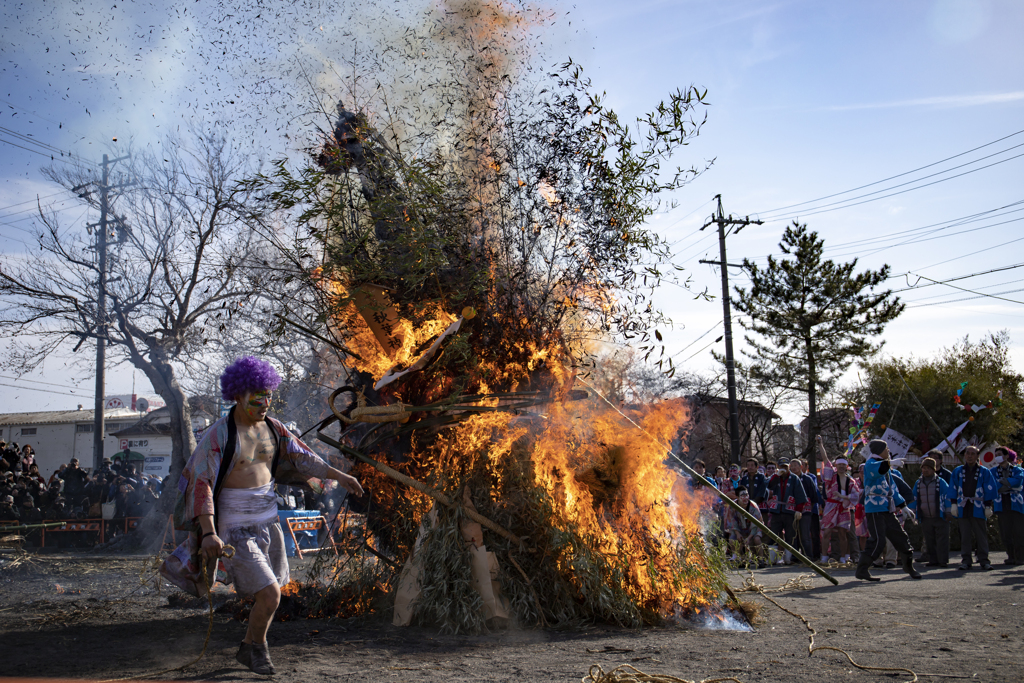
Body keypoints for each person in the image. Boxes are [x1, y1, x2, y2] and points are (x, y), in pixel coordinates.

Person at [175, 356, 364, 675]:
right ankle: (257, 650)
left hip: (269, 523)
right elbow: (201, 484)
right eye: (256, 395)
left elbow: (305, 458)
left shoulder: (275, 429)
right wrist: (209, 532)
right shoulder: (219, 436)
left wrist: (340, 476)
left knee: (273, 591)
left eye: (269, 394)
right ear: (237, 395)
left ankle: (249, 648)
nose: (264, 402)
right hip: (235, 530)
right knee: (270, 593)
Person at [855, 439, 920, 581]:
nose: (888, 451)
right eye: (886, 449)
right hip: (874, 508)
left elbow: (893, 490)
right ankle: (862, 570)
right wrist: (890, 463)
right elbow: (878, 470)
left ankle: (909, 566)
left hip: (887, 508)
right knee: (878, 540)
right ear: (879, 450)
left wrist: (903, 506)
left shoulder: (886, 468)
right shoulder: (870, 464)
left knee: (900, 537)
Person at [949, 446, 998, 571]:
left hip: (978, 506)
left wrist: (988, 506)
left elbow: (989, 489)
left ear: (977, 456)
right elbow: (953, 488)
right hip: (963, 505)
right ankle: (966, 560)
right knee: (965, 535)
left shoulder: (984, 471)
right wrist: (953, 504)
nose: (970, 456)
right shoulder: (958, 471)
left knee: (981, 535)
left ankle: (984, 560)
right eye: (968, 453)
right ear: (965, 455)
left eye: (973, 454)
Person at [817, 437, 860, 564]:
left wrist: (843, 497)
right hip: (831, 505)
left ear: (847, 466)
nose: (841, 466)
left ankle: (843, 557)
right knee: (827, 531)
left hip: (844, 507)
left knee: (843, 533)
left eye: (843, 464)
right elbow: (825, 459)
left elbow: (855, 496)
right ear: (836, 465)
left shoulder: (851, 481)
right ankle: (824, 557)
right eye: (839, 464)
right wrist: (820, 444)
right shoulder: (831, 476)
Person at [910, 456, 952, 567]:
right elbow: (913, 498)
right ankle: (933, 560)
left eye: (928, 468)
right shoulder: (918, 483)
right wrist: (912, 513)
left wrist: (948, 512)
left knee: (942, 539)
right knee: (929, 540)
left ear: (933, 469)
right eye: (923, 468)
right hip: (925, 516)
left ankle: (942, 561)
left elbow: (948, 498)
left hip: (940, 515)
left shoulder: (941, 482)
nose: (925, 470)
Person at [765, 457, 807, 563]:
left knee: (790, 535)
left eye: (785, 466)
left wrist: (799, 510)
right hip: (776, 511)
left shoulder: (794, 479)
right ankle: (773, 559)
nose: (783, 468)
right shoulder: (775, 477)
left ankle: (789, 559)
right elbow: (768, 486)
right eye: (781, 466)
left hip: (789, 511)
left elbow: (800, 495)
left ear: (789, 467)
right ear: (778, 467)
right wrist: (775, 476)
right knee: (773, 534)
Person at [990, 447, 1024, 565]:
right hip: (1002, 504)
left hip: (1016, 505)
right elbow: (993, 486)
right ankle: (1011, 556)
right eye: (996, 454)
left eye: (999, 454)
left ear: (1005, 456)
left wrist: (1002, 482)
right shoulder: (993, 471)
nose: (997, 456)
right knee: (1006, 533)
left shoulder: (1017, 469)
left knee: (1019, 532)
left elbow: (1019, 482)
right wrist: (1009, 485)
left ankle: (1020, 557)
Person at [725, 486, 767, 567]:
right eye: (743, 496)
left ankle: (761, 559)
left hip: (754, 527)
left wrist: (749, 537)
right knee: (733, 540)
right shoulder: (732, 506)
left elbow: (756, 524)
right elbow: (731, 521)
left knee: (757, 539)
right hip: (740, 528)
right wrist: (737, 533)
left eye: (747, 495)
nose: (745, 498)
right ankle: (741, 559)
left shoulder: (753, 507)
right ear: (737, 497)